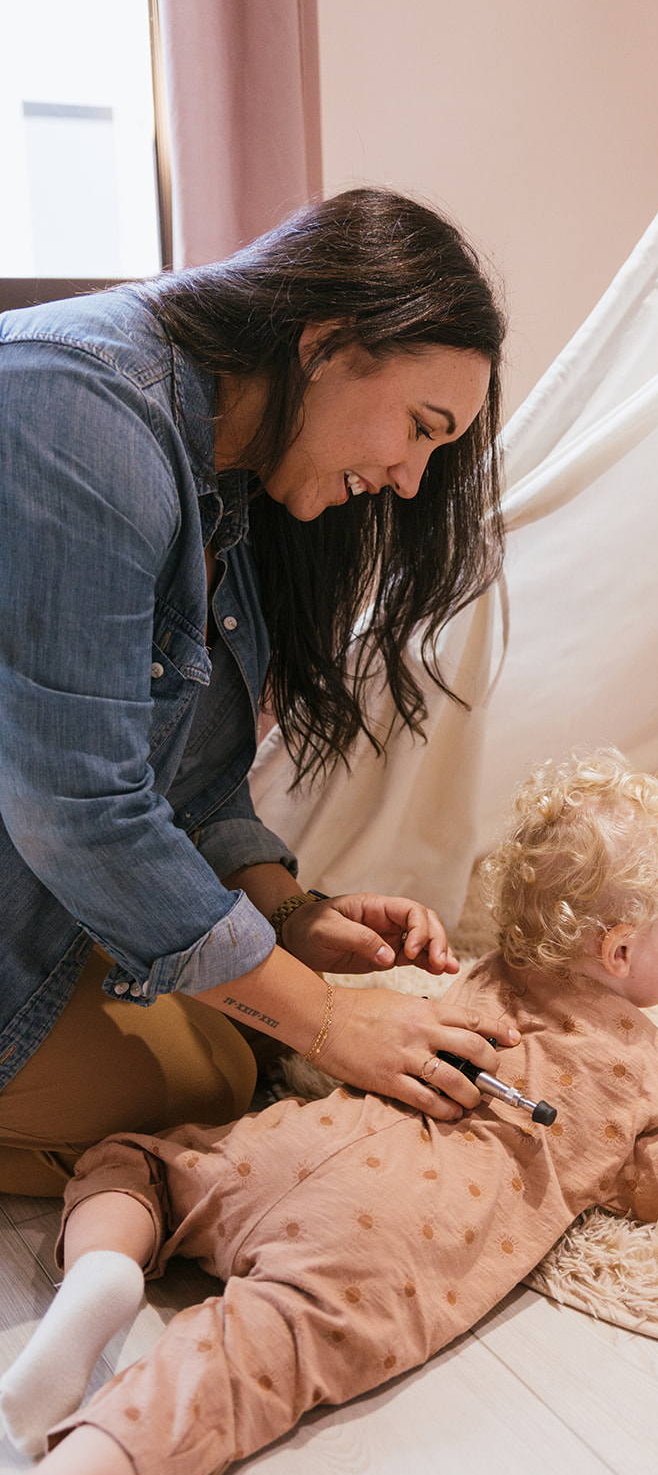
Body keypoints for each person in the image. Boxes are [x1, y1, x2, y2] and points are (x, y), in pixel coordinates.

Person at [0, 748, 658, 1475]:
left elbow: (576, 1074)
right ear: (621, 954)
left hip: (296, 1145)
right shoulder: (644, 1065)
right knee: (226, 1378)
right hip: (384, 1235)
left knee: (135, 1163)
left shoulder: (493, 976)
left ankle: (99, 1278)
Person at [0, 187, 521, 1196]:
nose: (410, 480)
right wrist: (329, 1021)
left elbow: (188, 779)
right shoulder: (76, 415)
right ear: (327, 344)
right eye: (417, 427)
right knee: (208, 1081)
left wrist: (291, 913)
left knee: (233, 1056)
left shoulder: (221, 469)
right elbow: (80, 812)